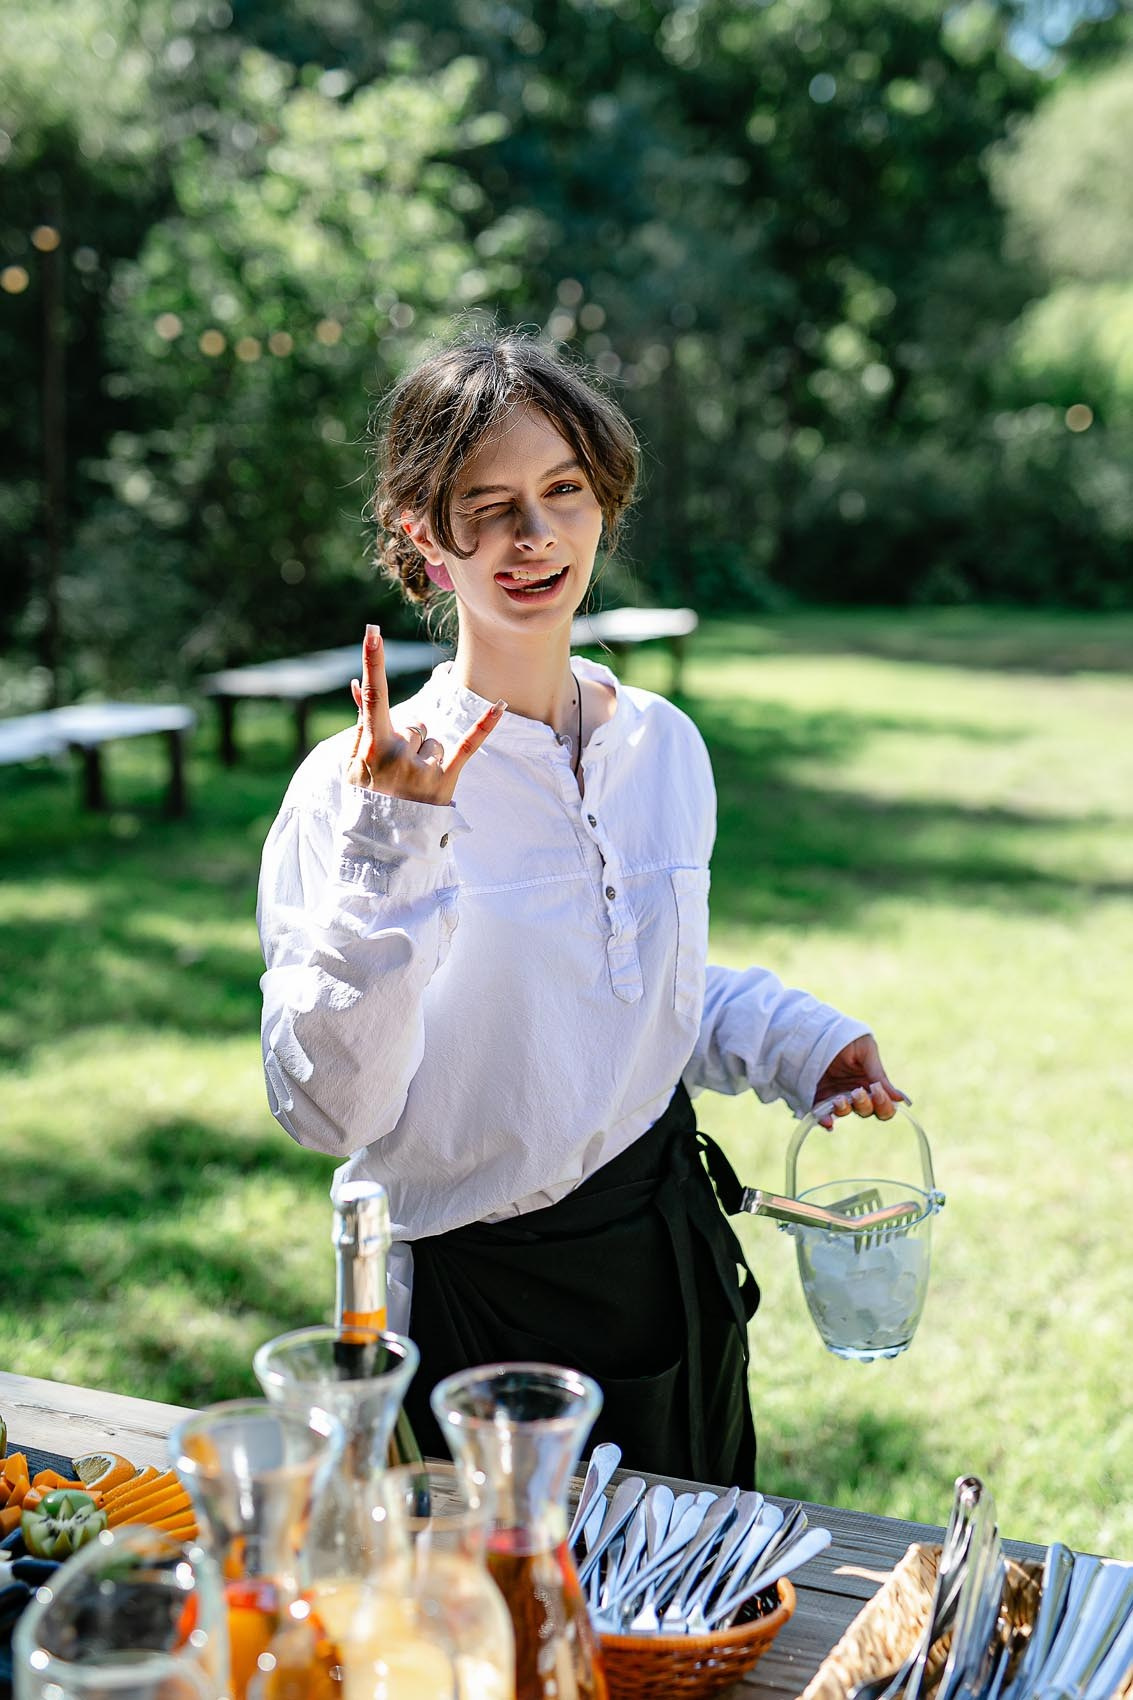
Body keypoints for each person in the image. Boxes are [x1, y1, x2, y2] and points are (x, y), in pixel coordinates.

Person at [257, 329, 905, 1485]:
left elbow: (624, 988)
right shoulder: (353, 790)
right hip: (474, 1305)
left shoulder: (661, 745)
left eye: (562, 491)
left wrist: (796, 1042)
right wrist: (392, 840)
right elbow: (328, 1106)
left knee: (699, 1622)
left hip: (664, 1251)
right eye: (488, 504)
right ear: (422, 533)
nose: (534, 535)